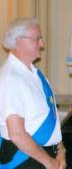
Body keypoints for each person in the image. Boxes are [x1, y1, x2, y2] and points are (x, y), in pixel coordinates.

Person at [0, 18, 67, 169]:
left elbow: (50, 116)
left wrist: (60, 150)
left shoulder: (34, 74)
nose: (42, 44)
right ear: (18, 42)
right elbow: (17, 134)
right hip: (26, 160)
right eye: (37, 39)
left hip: (44, 156)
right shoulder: (11, 79)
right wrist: (50, 163)